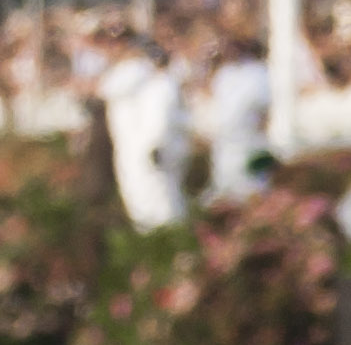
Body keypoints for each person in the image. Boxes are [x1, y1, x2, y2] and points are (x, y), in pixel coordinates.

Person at [99, 49, 188, 230]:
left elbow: (162, 120)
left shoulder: (163, 85)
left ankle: (170, 237)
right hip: (152, 146)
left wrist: (156, 145)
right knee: (147, 195)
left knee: (162, 196)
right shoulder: (153, 85)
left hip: (160, 147)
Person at [203, 46, 275, 200]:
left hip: (250, 148)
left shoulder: (258, 74)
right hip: (225, 153)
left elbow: (265, 117)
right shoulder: (224, 76)